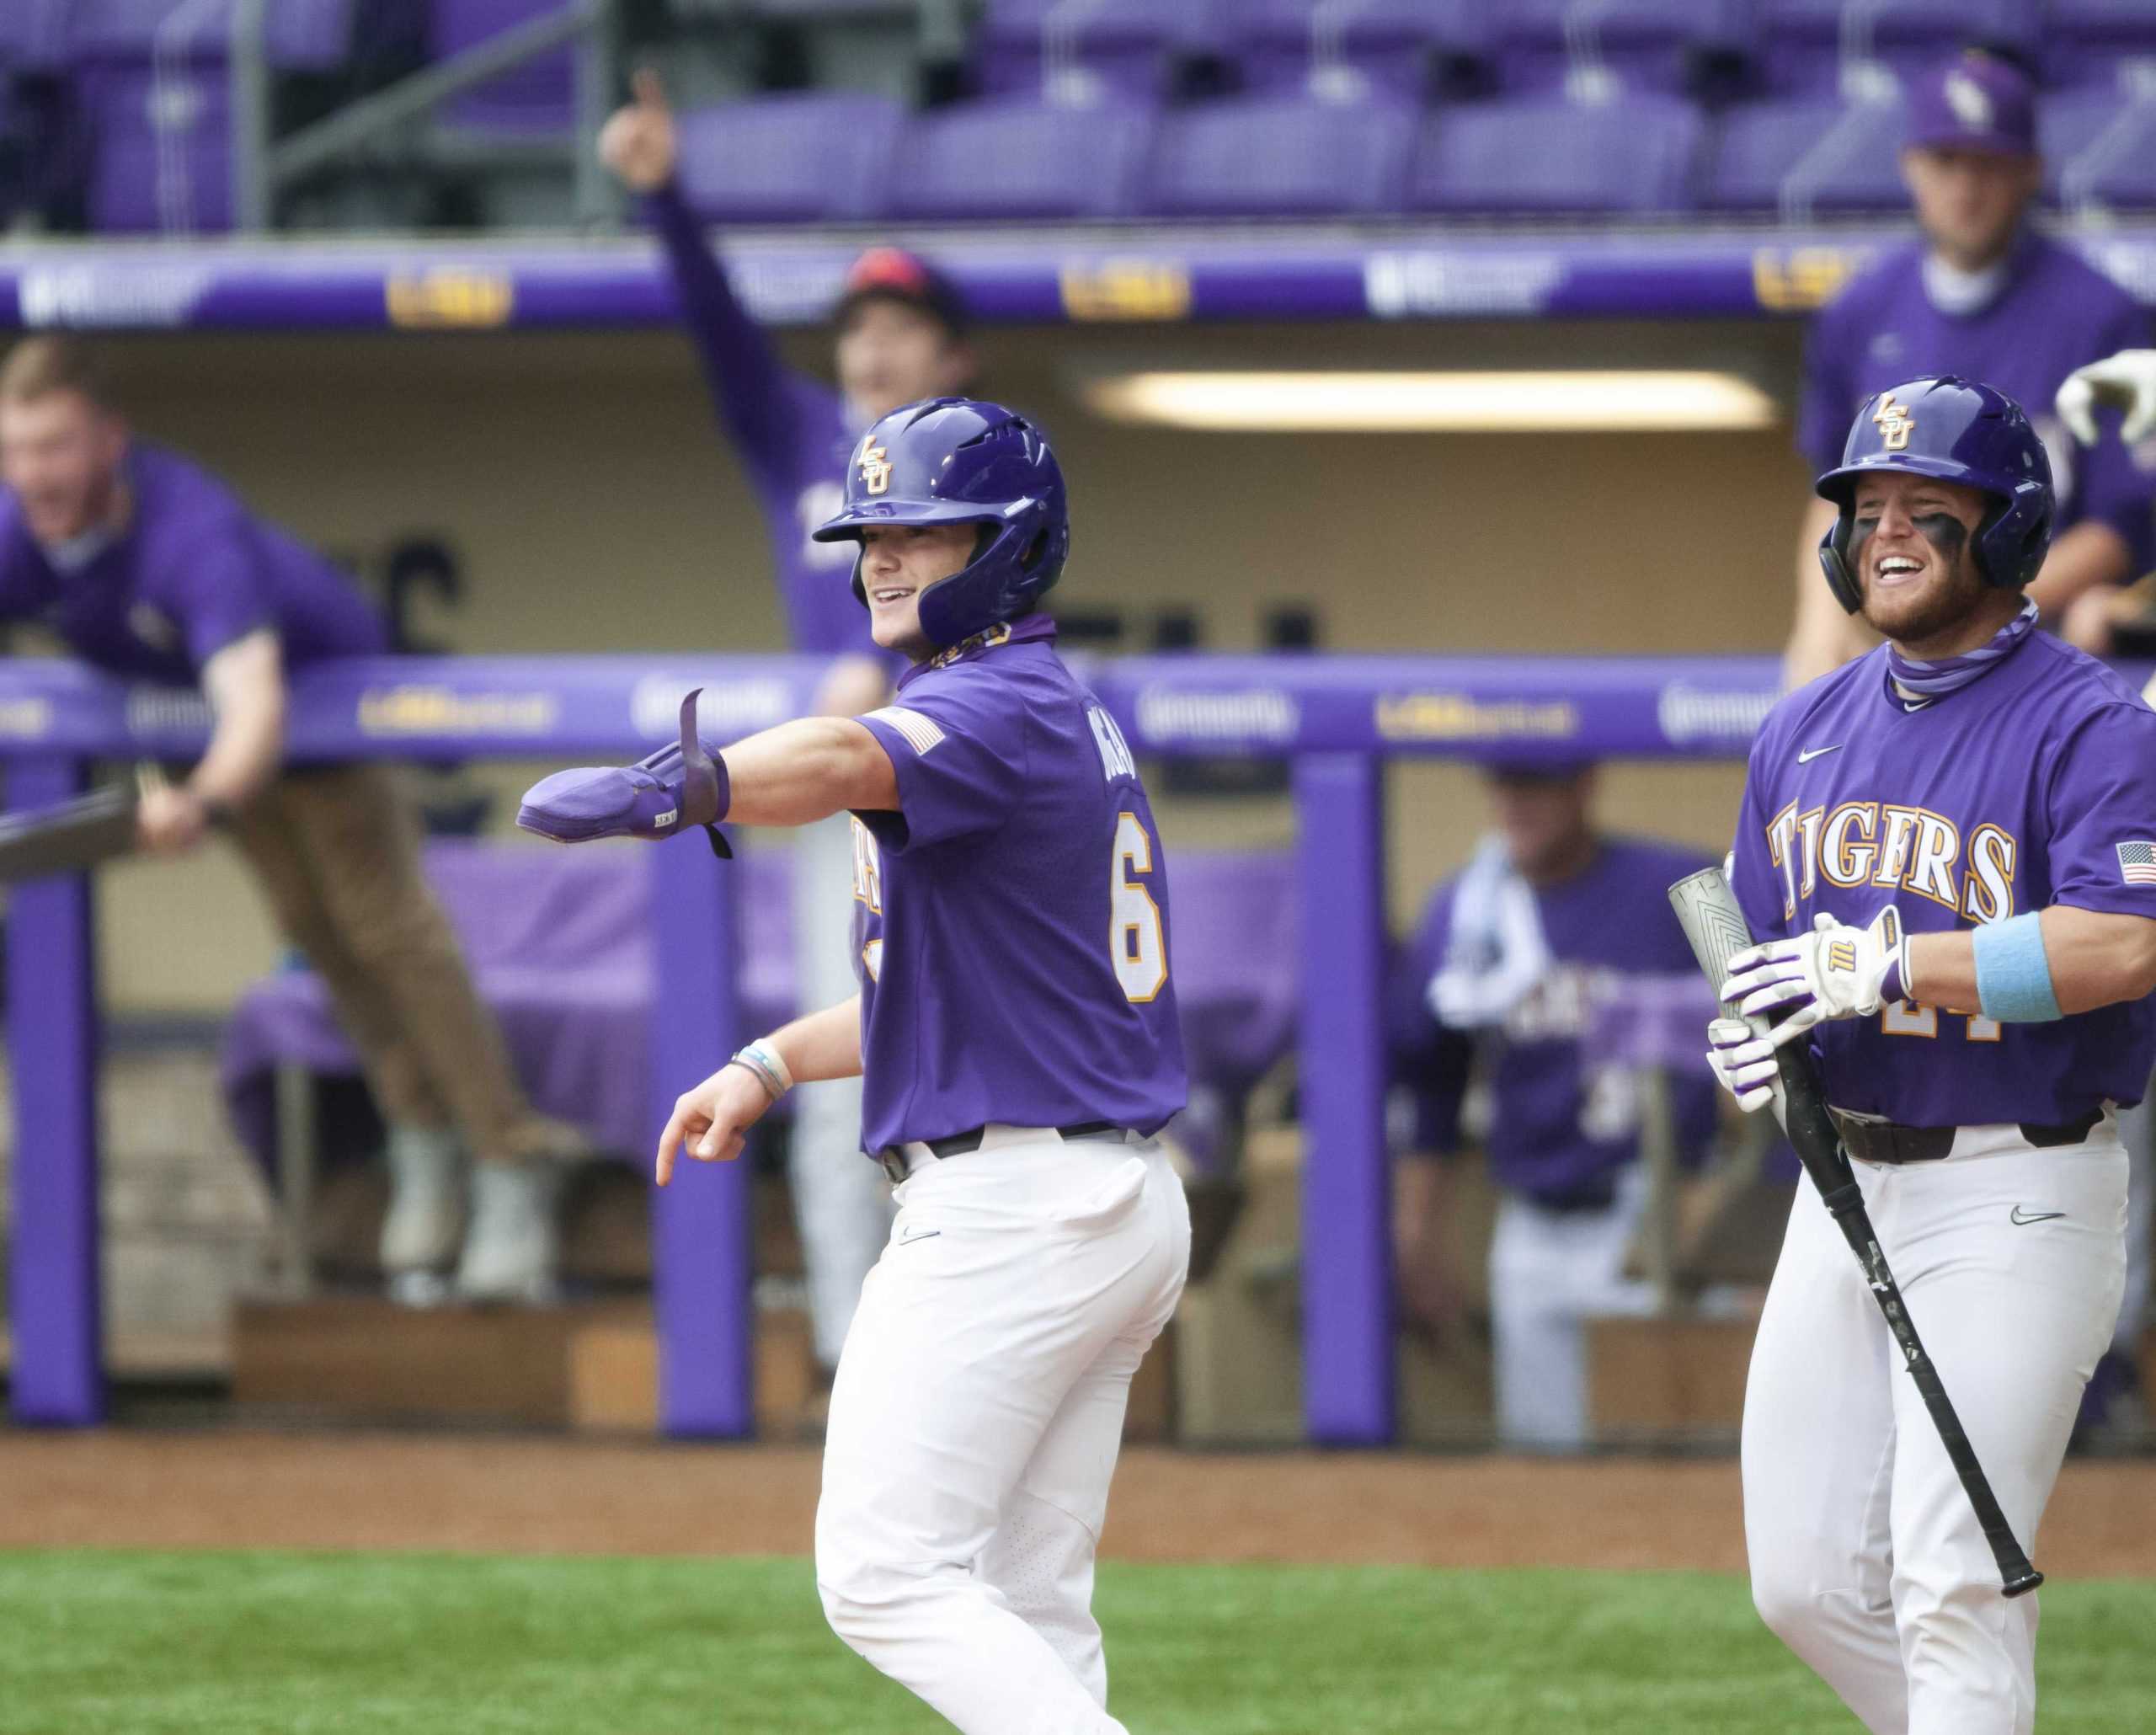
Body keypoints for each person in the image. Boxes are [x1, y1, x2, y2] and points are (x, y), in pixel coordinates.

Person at [520, 398, 1189, 1735]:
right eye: (872, 533)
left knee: (883, 1576)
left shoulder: (995, 701)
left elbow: (832, 758)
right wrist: (766, 1063)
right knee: (1027, 1606)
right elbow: (942, 997)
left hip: (1016, 1213)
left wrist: (682, 787)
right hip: (1096, 1197)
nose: (882, 558)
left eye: (921, 532)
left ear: (1007, 544)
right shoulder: (1043, 703)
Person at [1710, 374, 2156, 1733]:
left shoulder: (2094, 723)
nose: (1887, 534)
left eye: (1929, 510)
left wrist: (1901, 962)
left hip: (2013, 1188)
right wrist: (1743, 1037)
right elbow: (1761, 955)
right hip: (1841, 1188)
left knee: (1953, 1578)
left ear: (2007, 534)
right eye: (1867, 510)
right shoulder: (1799, 730)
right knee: (1801, 1584)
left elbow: (2122, 946)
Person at [0, 336, 590, 1303]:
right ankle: (425, 1143)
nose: (36, 472)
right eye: (18, 449)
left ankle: (509, 1157)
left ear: (107, 440)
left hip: (319, 719)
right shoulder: (21, 527)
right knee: (317, 939)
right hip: (214, 746)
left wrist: (203, 803)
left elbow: (257, 705)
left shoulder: (189, 530)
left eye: (56, 446)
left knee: (386, 929)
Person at [600, 69, 979, 1385]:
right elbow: (718, 338)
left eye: (905, 325)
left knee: (976, 1067)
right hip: (846, 802)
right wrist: (665, 199)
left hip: (961, 785)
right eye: (861, 325)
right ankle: (846, 1353)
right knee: (843, 1089)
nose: (876, 346)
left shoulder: (984, 463)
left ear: (951, 354)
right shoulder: (807, 439)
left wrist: (887, 672)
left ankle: (962, 1355)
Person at [1783, 50, 2153, 686]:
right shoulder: (1861, 308)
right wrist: (1819, 620)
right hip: (1907, 630)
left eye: (1988, 164)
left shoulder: (2105, 318)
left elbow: (2123, 527)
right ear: (1910, 167)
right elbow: (1835, 497)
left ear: (2031, 172)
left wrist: (1969, 613)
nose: (1965, 188)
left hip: (2050, 642)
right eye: (1946, 161)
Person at [1386, 761, 1718, 1450]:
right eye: (1504, 785)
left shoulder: (1681, 886)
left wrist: (1727, 1207)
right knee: (1542, 1459)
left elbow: (1775, 1037)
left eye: (1536, 783)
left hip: (1654, 1213)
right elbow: (1430, 1083)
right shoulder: (1467, 910)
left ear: (1584, 785)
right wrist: (1416, 1233)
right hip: (1531, 1220)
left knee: (1673, 1454)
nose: (1516, 803)